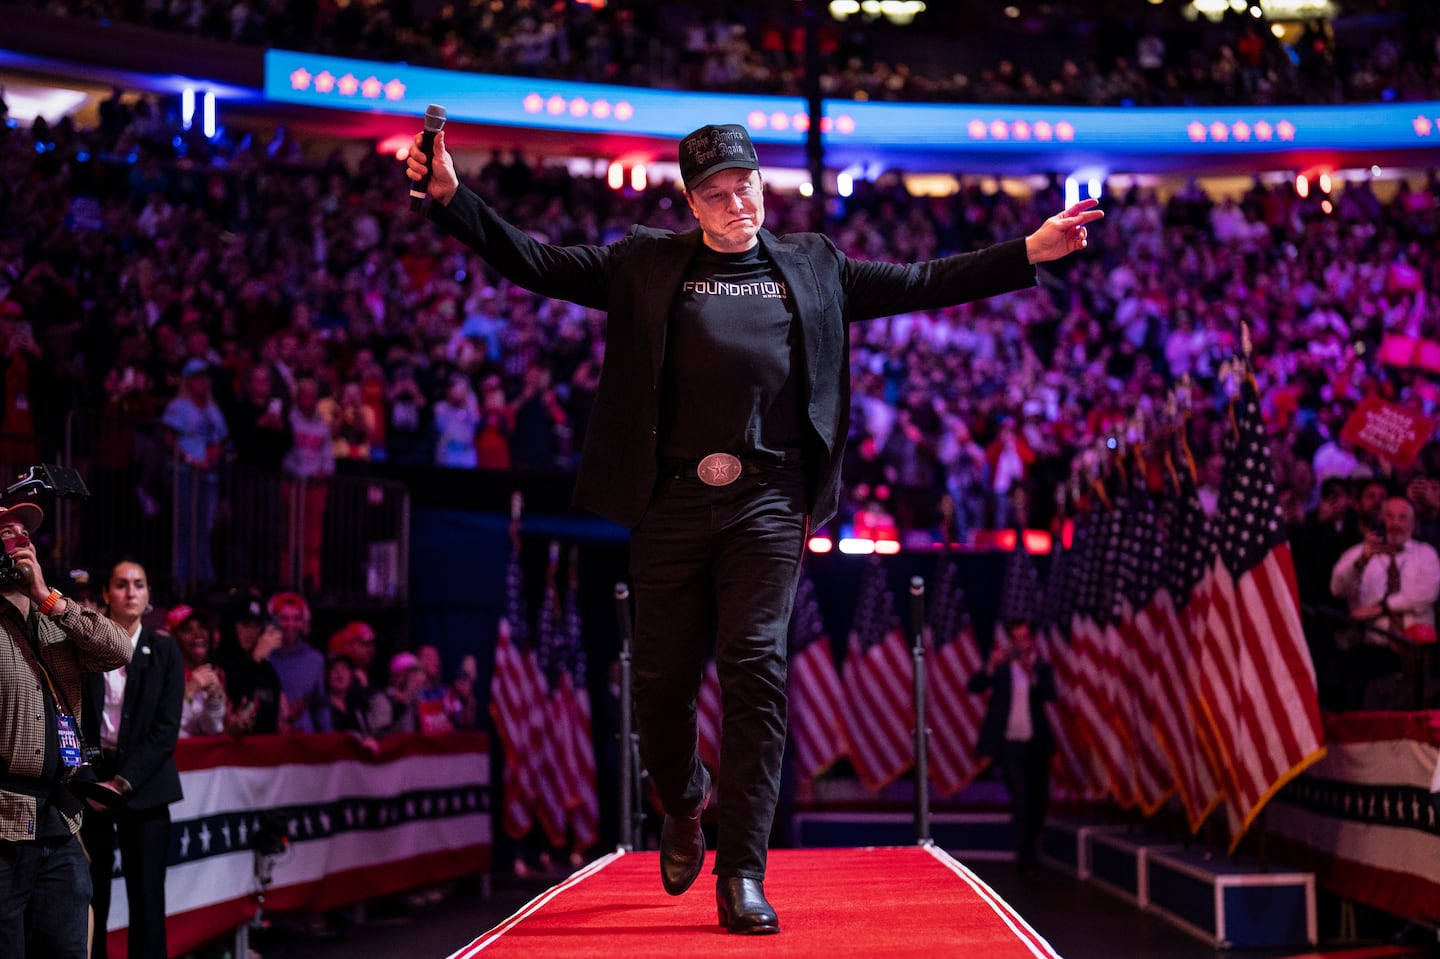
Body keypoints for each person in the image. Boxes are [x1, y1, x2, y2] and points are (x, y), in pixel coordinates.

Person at [405, 120, 1100, 934]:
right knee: (659, 685)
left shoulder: (814, 264)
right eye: (717, 194)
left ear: (762, 185)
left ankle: (741, 869)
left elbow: (921, 278)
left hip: (768, 502)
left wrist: (1028, 251)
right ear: (690, 201)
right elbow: (540, 264)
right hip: (667, 502)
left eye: (747, 187)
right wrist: (453, 199)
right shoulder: (647, 262)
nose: (737, 203)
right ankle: (685, 797)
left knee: (755, 668)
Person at [0, 501, 131, 959]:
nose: (23, 541)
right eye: (8, 532)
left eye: (26, 532)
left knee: (68, 950)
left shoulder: (55, 617)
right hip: (4, 823)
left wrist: (48, 598)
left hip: (59, 820)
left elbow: (118, 650)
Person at [80, 559, 185, 959]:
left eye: (138, 584)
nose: (130, 592)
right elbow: (73, 718)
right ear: (106, 593)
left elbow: (165, 729)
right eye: (121, 584)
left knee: (147, 903)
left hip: (144, 787)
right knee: (91, 899)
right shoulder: (84, 644)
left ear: (148, 596)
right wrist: (92, 780)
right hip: (90, 789)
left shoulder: (164, 649)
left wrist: (121, 783)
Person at [1329, 495, 1440, 709]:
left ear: (1412, 523)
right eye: (1390, 517)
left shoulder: (1426, 554)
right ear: (1380, 519)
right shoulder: (1358, 553)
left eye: (1402, 517)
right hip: (1375, 652)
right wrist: (1362, 561)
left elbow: (1424, 594)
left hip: (1417, 653)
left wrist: (1382, 608)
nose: (1396, 523)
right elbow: (1337, 589)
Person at [967, 617, 1055, 878]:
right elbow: (974, 686)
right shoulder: (1002, 669)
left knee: (1038, 800)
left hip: (1035, 744)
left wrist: (1031, 674)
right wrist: (991, 665)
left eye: (1025, 638)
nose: (1021, 643)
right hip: (1010, 745)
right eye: (1016, 638)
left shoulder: (1040, 667)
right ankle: (1025, 858)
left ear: (1032, 639)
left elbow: (1050, 694)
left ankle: (1031, 843)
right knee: (1020, 798)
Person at [214, 588, 284, 736]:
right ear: (232, 624)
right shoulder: (216, 662)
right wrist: (254, 663)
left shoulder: (268, 671)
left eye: (256, 625)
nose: (251, 632)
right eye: (245, 624)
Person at [266, 592, 332, 734]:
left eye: (296, 619)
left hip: (305, 742)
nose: (291, 624)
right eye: (284, 618)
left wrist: (329, 739)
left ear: (304, 622)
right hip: (269, 740)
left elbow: (321, 706)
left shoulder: (316, 660)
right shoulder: (263, 657)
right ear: (273, 621)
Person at [169, 604, 227, 737]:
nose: (198, 634)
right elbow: (170, 730)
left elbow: (212, 730)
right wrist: (190, 692)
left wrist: (214, 701)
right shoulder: (164, 675)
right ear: (174, 638)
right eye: (188, 629)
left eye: (202, 627)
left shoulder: (216, 673)